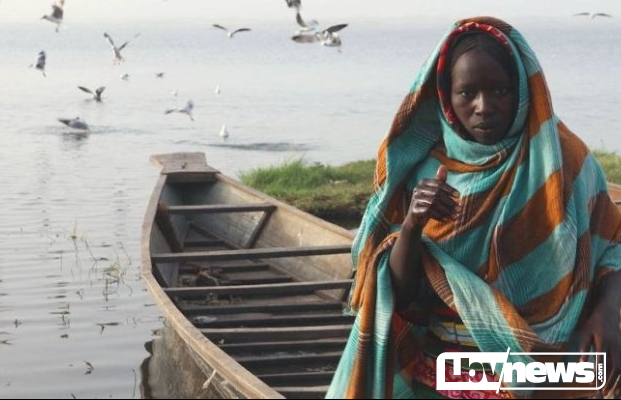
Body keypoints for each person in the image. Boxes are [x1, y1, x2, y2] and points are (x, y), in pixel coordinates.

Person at [326, 16, 621, 399]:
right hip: (448, 372)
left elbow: (613, 244)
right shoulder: (421, 169)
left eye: (499, 90)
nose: (484, 106)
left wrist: (607, 312)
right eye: (467, 93)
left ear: (522, 91)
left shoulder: (565, 162)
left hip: (549, 369)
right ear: (445, 96)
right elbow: (401, 295)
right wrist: (412, 225)